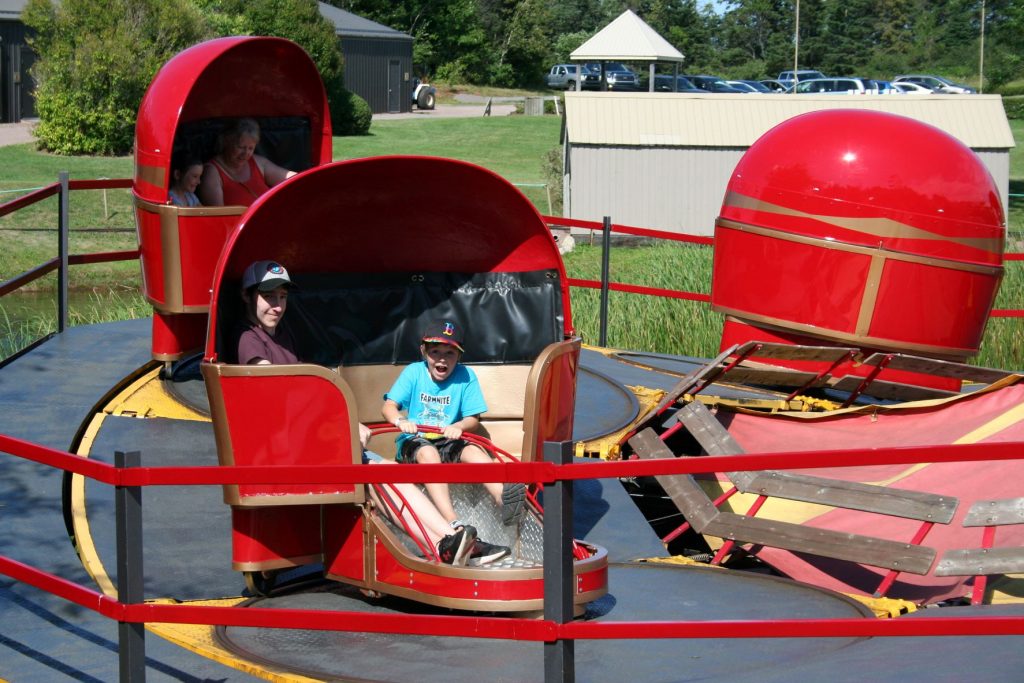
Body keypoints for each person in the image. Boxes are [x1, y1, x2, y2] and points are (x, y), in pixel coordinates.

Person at [235, 261, 509, 566]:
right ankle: (441, 542)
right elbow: (275, 393)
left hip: (309, 436)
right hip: (292, 446)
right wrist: (345, 426)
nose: (277, 305)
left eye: (282, 297)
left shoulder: (281, 337)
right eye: (269, 296)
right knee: (378, 475)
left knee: (389, 470)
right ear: (248, 296)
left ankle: (451, 538)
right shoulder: (250, 340)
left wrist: (343, 425)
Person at [382, 319, 527, 533]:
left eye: (449, 353)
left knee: (473, 450)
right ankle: (452, 520)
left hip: (447, 438)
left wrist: (459, 426)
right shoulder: (414, 372)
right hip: (415, 440)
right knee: (429, 453)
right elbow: (389, 407)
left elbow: (473, 419)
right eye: (435, 352)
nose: (442, 359)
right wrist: (401, 421)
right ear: (424, 352)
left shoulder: (465, 376)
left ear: (459, 356)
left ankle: (503, 498)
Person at [198, 118, 295, 207]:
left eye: (250, 148)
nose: (246, 153)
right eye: (241, 147)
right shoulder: (212, 173)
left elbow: (292, 179)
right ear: (227, 141)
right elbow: (218, 218)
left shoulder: (258, 162)